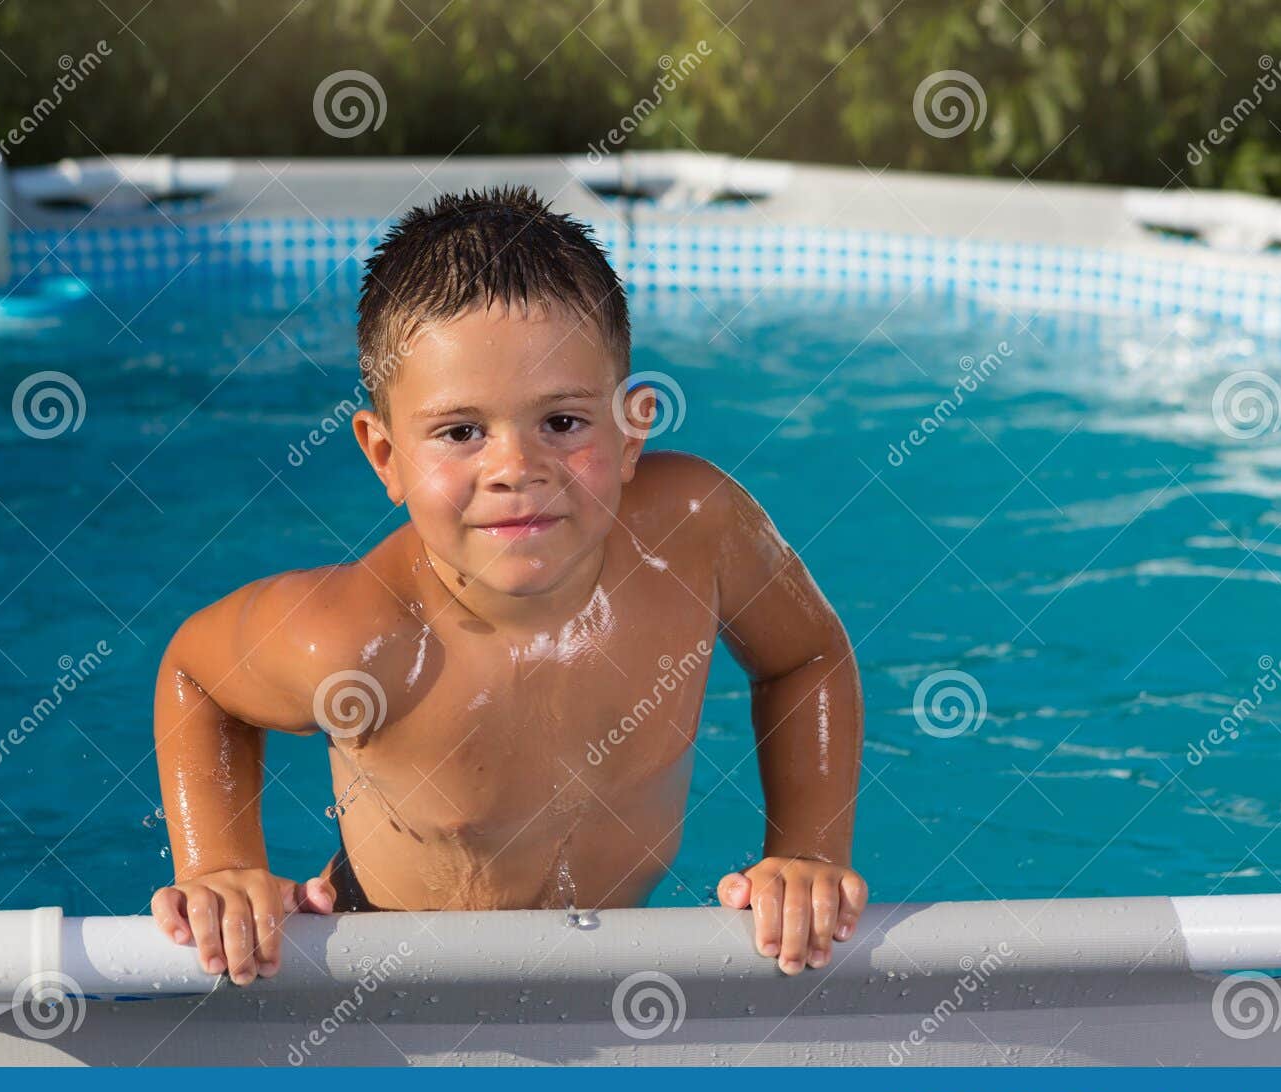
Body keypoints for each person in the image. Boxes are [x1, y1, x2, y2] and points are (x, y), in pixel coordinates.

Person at [150, 185, 866, 985]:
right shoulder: (360, 637)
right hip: (391, 973)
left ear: (631, 432)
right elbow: (197, 675)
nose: (516, 470)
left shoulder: (693, 534)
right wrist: (219, 864)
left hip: (610, 959)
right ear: (385, 457)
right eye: (461, 432)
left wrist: (806, 851)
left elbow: (805, 656)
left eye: (562, 423)